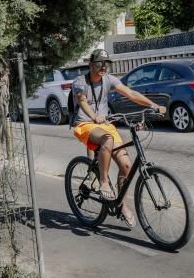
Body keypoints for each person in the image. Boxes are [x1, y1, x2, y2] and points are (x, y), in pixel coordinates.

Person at [71, 48, 166, 227]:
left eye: (106, 64)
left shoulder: (109, 79)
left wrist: (153, 105)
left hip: (105, 124)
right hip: (86, 125)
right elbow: (82, 101)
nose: (103, 67)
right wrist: (94, 116)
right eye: (99, 63)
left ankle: (120, 203)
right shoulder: (80, 81)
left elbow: (131, 93)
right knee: (107, 138)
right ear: (91, 65)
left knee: (127, 165)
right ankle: (104, 182)